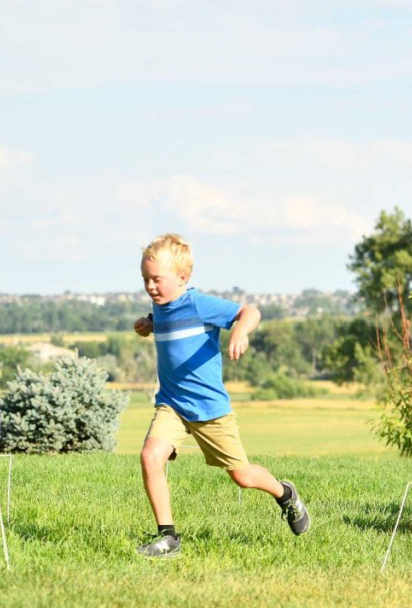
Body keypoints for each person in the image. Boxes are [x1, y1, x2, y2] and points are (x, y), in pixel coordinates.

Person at [131, 233, 310, 558]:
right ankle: (167, 537)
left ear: (183, 278)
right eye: (145, 280)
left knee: (241, 476)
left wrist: (239, 329)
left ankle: (285, 493)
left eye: (157, 279)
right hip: (171, 404)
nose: (150, 287)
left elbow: (249, 312)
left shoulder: (199, 304)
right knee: (150, 456)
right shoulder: (161, 306)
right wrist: (149, 324)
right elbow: (169, 323)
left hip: (209, 409)